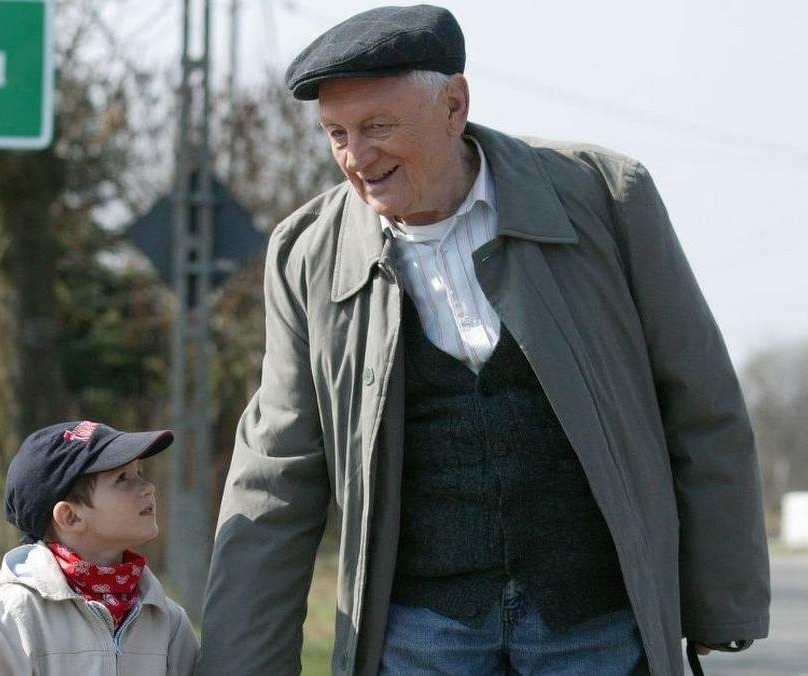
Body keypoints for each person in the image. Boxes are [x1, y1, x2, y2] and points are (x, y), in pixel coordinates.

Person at [195, 4, 769, 676]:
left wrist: (717, 598)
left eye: (378, 126)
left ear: (454, 105)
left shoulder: (605, 200)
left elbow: (700, 404)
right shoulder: (305, 255)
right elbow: (277, 474)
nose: (357, 157)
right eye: (337, 133)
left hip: (597, 624)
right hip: (419, 633)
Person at [0, 420, 198, 676]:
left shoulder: (168, 621)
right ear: (71, 517)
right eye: (122, 478)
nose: (148, 488)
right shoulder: (12, 616)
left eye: (139, 473)